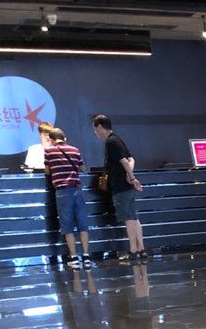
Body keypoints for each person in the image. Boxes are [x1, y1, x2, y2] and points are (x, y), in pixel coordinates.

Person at [91, 114, 146, 264]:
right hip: (127, 186)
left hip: (121, 187)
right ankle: (141, 250)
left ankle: (133, 251)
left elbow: (125, 161)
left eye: (95, 129)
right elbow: (131, 159)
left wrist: (132, 177)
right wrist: (130, 175)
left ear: (100, 127)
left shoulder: (111, 142)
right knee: (134, 217)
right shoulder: (118, 139)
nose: (95, 133)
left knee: (128, 219)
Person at [44, 126, 92, 270]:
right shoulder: (75, 150)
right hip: (77, 190)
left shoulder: (48, 151)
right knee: (82, 224)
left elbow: (47, 171)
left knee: (67, 226)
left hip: (62, 192)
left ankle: (74, 257)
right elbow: (83, 168)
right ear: (64, 138)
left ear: (51, 139)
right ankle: (86, 257)